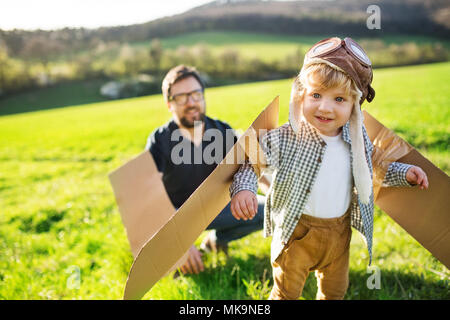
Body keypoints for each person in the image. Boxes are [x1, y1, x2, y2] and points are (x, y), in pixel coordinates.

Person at [229, 37, 429, 300]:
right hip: (296, 234)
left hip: (338, 235)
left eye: (338, 99)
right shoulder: (287, 136)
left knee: (335, 291)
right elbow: (251, 161)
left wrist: (404, 174)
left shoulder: (356, 140)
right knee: (286, 292)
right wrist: (244, 189)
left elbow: (376, 166)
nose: (325, 107)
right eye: (316, 95)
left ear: (354, 106)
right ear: (301, 94)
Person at [145, 65, 266, 275]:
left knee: (268, 209)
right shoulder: (159, 140)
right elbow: (148, 197)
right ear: (169, 104)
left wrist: (273, 192)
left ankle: (215, 242)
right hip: (176, 216)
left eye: (195, 94)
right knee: (179, 273)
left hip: (214, 208)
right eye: (181, 97)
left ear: (203, 96)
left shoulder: (222, 130)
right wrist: (177, 241)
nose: (191, 102)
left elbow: (250, 164)